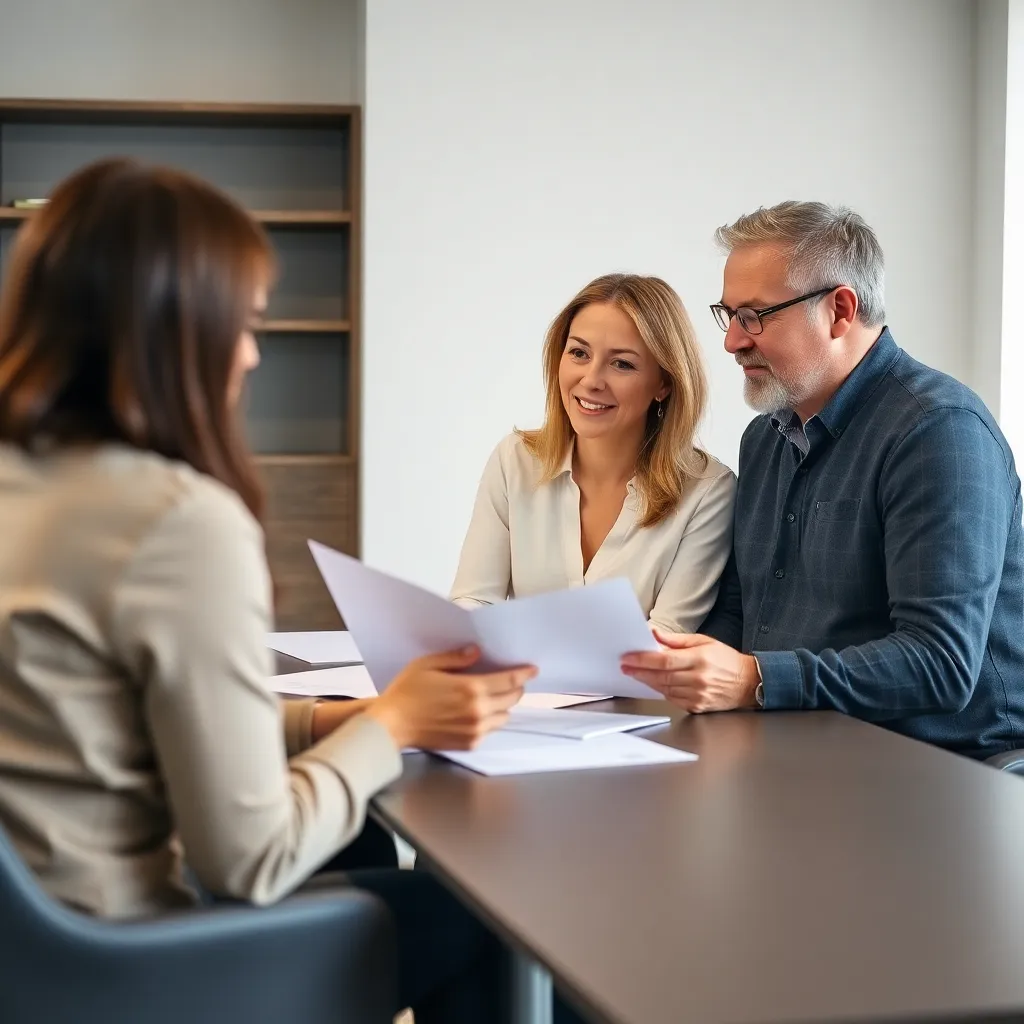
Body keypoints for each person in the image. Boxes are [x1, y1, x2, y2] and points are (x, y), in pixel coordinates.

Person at [0, 158, 537, 1022]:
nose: (251, 355)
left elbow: (113, 718)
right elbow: (252, 858)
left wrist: (335, 721)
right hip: (117, 961)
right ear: (172, 329)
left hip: (26, 950)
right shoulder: (173, 522)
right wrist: (396, 724)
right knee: (487, 916)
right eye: (245, 324)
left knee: (357, 836)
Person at [621, 201, 1024, 761]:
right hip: (798, 749)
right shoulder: (765, 439)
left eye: (754, 316)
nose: (732, 342)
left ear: (839, 310)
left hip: (945, 768)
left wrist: (755, 679)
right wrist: (664, 659)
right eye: (729, 315)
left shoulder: (939, 432)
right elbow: (742, 612)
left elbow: (940, 664)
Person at [451, 273, 736, 633]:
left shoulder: (708, 491)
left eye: (622, 364)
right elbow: (475, 600)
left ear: (664, 383)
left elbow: (666, 641)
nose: (590, 380)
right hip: (516, 671)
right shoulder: (515, 460)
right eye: (579, 353)